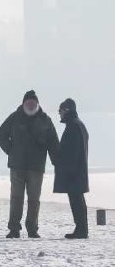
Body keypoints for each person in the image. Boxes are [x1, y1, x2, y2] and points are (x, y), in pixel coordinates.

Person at [0, 90, 59, 238]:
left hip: (36, 167)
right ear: (23, 104)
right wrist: (10, 150)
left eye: (33, 103)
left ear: (37, 104)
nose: (30, 105)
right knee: (16, 198)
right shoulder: (14, 117)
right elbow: (1, 135)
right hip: (17, 166)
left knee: (34, 199)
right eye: (28, 103)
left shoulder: (45, 120)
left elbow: (53, 143)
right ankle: (14, 228)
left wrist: (57, 161)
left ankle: (32, 228)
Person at [54, 98, 89, 239]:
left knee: (76, 200)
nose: (59, 114)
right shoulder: (78, 125)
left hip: (74, 172)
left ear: (66, 110)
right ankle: (81, 229)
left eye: (60, 110)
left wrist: (68, 169)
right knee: (78, 199)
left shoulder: (73, 126)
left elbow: (72, 152)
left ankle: (81, 230)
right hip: (77, 171)